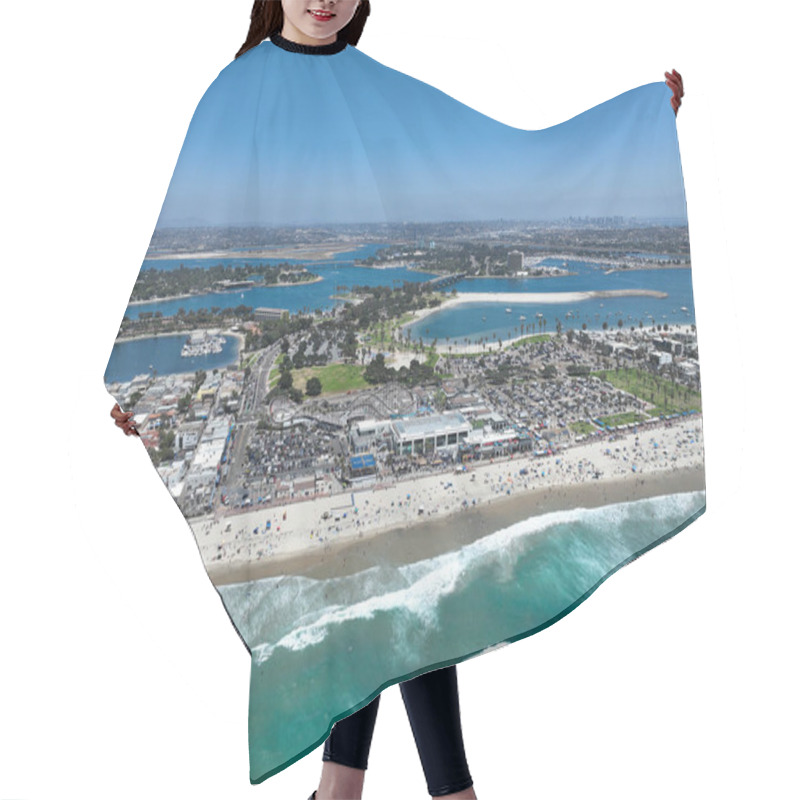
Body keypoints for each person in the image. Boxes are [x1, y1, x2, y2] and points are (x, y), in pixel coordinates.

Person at [110, 2, 685, 798]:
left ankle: (350, 790)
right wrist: (151, 386)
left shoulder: (378, 86)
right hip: (287, 398)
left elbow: (503, 164)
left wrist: (638, 125)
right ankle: (434, 792)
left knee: (391, 587)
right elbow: (196, 236)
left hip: (380, 384)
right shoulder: (234, 91)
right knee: (390, 592)